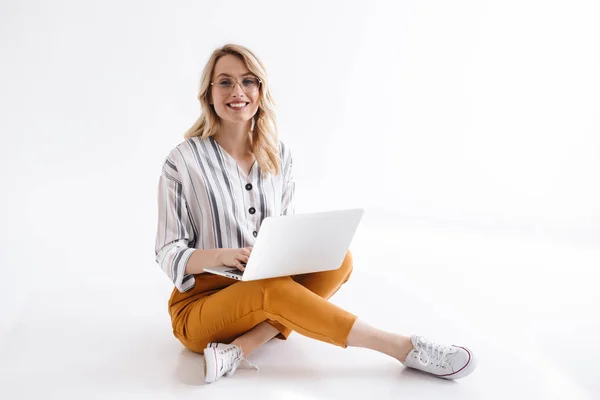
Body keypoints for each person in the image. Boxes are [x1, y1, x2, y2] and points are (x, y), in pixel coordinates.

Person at [154, 44, 477, 384]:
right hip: (200, 309)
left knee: (340, 261)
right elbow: (167, 250)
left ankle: (242, 347)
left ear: (261, 90)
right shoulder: (183, 160)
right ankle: (402, 347)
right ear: (208, 93)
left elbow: (284, 232)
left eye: (248, 81)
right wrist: (224, 255)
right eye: (225, 82)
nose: (238, 91)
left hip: (265, 288)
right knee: (272, 290)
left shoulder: (278, 155)